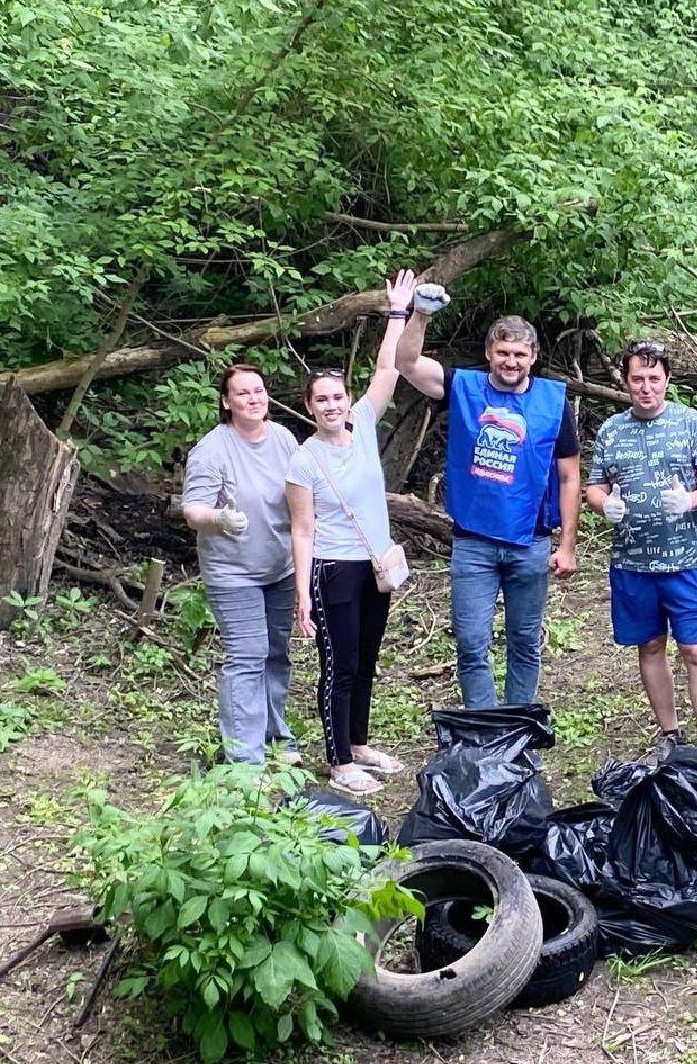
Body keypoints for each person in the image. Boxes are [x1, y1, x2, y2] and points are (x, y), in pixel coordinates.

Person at [394, 302, 580, 710]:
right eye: (503, 352)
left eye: (520, 354)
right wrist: (420, 315)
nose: (511, 361)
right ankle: (483, 727)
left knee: (525, 641)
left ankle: (517, 724)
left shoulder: (553, 402)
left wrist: (567, 545)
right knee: (471, 641)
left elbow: (569, 477)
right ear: (488, 353)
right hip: (473, 540)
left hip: (530, 541)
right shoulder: (464, 387)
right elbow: (406, 363)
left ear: (533, 357)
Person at [286, 270, 428, 797]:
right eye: (321, 400)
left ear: (348, 400)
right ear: (309, 407)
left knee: (366, 658)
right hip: (334, 570)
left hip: (375, 567)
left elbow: (387, 368)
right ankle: (339, 759)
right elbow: (302, 530)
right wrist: (303, 593)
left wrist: (398, 313)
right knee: (339, 665)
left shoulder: (364, 424)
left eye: (337, 397)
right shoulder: (304, 460)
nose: (331, 406)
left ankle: (360, 742)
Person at [586, 341, 697, 751]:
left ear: (667, 379)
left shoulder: (692, 423)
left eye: (654, 378)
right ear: (625, 381)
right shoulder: (612, 430)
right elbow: (594, 486)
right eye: (637, 379)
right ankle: (670, 735)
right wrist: (604, 504)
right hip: (632, 563)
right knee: (649, 645)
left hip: (686, 560)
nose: (646, 387)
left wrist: (691, 500)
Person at [181, 365, 301, 767]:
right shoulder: (212, 449)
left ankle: (275, 737)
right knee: (248, 655)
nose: (253, 399)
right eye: (243, 393)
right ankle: (245, 758)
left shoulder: (283, 438)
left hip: (281, 567)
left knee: (276, 654)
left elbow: (303, 493)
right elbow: (193, 511)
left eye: (259, 390)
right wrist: (219, 518)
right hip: (233, 574)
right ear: (226, 402)